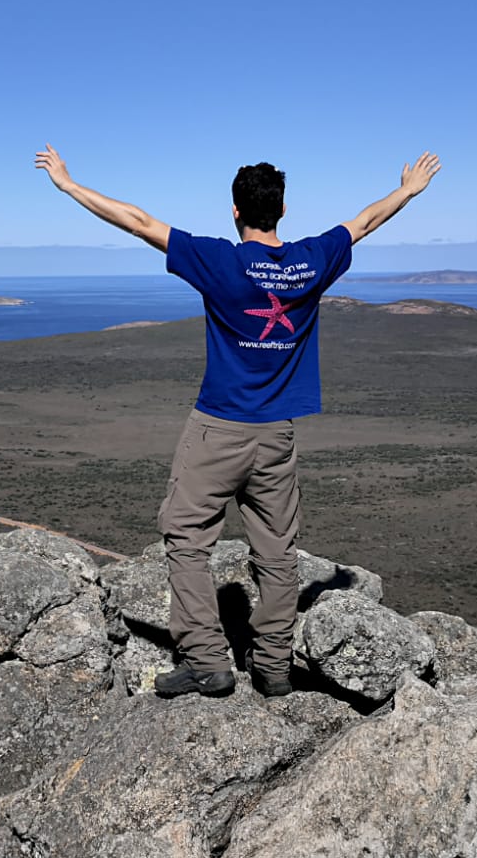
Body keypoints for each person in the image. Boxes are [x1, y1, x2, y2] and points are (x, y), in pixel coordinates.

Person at [33, 143, 441, 698]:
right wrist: (408, 191)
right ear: (282, 211)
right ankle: (273, 666)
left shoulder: (219, 260)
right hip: (278, 434)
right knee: (277, 551)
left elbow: (137, 221)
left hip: (217, 428)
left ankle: (208, 661)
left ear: (234, 211)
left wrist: (69, 184)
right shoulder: (311, 261)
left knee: (186, 536)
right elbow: (362, 222)